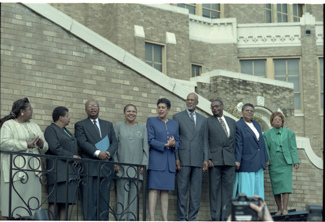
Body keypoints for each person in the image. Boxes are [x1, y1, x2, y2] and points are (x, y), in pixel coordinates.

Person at [0, 98, 48, 219]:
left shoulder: (35, 126)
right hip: (14, 172)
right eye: (30, 109)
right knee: (10, 209)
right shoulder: (9, 125)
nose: (32, 111)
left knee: (31, 210)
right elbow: (3, 143)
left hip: (33, 172)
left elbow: (46, 147)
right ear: (22, 111)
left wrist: (42, 144)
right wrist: (26, 145)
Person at [75, 99, 118, 220]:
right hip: (90, 167)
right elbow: (82, 142)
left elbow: (114, 141)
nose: (93, 108)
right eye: (90, 106)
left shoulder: (108, 124)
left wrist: (108, 153)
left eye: (95, 106)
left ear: (99, 109)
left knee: (104, 202)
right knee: (89, 202)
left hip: (106, 167)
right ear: (86, 110)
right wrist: (98, 153)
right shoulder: (80, 125)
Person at [172, 93, 208, 221]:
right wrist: (176, 157)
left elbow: (205, 141)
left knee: (196, 191)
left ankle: (192, 218)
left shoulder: (203, 119)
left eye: (192, 100)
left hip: (198, 159)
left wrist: (205, 159)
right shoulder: (177, 117)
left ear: (197, 102)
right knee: (182, 190)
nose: (189, 102)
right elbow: (175, 139)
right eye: (187, 100)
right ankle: (182, 218)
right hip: (183, 158)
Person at [44, 106, 81, 220]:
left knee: (65, 203)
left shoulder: (66, 131)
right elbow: (55, 148)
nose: (69, 118)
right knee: (55, 201)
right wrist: (71, 156)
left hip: (69, 173)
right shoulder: (51, 129)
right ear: (60, 117)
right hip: (58, 173)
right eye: (67, 116)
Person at [113, 104, 149, 221]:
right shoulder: (118, 126)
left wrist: (144, 165)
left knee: (134, 198)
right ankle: (121, 219)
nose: (131, 113)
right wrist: (115, 163)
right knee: (121, 197)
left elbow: (145, 149)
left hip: (138, 169)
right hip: (122, 168)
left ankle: (131, 219)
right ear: (124, 113)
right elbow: (114, 146)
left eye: (134, 111)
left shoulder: (142, 128)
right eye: (128, 111)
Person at [146, 98, 180, 221]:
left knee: (165, 191)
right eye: (159, 107)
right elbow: (150, 140)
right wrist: (165, 144)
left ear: (168, 109)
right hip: (156, 160)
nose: (160, 110)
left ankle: (165, 219)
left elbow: (178, 141)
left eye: (163, 107)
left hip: (169, 161)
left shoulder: (174, 124)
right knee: (154, 190)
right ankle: (152, 219)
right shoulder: (151, 120)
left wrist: (174, 144)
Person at [263, 112, 299, 216]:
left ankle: (285, 208)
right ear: (272, 122)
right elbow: (266, 149)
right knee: (276, 187)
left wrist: (295, 161)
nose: (277, 121)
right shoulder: (267, 134)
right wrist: (267, 160)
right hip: (274, 163)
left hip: (286, 163)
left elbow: (293, 148)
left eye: (279, 120)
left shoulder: (290, 133)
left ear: (282, 122)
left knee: (285, 186)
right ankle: (279, 209)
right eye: (275, 120)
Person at [207, 99, 236, 221]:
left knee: (228, 191)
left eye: (217, 106)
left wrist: (236, 159)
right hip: (214, 160)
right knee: (214, 191)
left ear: (222, 106)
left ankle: (225, 217)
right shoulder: (208, 121)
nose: (214, 108)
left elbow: (236, 142)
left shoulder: (232, 122)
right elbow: (205, 141)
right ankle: (215, 217)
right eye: (212, 107)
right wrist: (207, 157)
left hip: (229, 160)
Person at [233, 103, 269, 200]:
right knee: (246, 191)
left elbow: (262, 143)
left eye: (252, 111)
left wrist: (266, 158)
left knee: (258, 191)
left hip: (258, 162)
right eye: (247, 110)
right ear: (242, 112)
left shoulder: (256, 124)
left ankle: (257, 213)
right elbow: (238, 144)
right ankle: (246, 213)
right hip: (246, 163)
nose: (250, 112)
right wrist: (237, 160)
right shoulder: (238, 125)